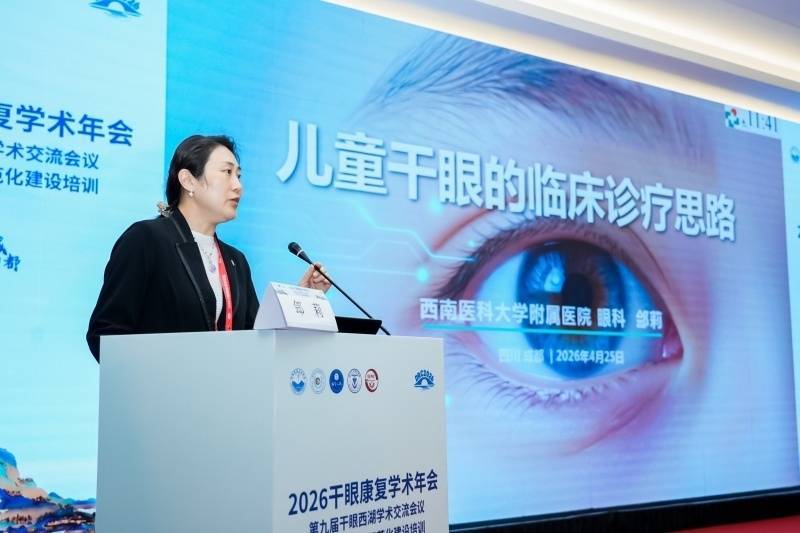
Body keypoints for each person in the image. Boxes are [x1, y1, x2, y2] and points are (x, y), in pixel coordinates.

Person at [86, 134, 330, 361]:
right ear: (188, 180)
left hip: (223, 391)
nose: (238, 185)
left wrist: (303, 298)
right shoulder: (146, 239)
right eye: (227, 172)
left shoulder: (236, 261)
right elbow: (106, 333)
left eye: (239, 175)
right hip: (161, 391)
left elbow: (258, 340)